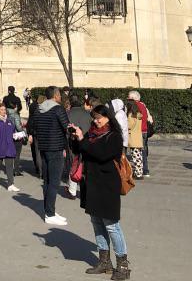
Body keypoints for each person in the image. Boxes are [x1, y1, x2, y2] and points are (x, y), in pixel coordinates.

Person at [70, 103, 131, 280]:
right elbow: (80, 151)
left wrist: (83, 141)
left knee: (112, 225)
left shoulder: (114, 136)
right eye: (94, 119)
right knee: (96, 222)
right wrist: (75, 138)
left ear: (108, 117)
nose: (96, 122)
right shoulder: (91, 133)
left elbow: (101, 154)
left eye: (99, 118)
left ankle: (123, 266)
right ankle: (104, 262)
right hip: (91, 184)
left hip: (107, 185)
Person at [27, 85, 71, 225]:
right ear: (56, 95)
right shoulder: (58, 109)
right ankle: (50, 214)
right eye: (59, 94)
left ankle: (49, 210)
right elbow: (67, 127)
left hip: (43, 148)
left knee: (47, 181)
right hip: (56, 148)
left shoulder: (39, 109)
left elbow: (31, 126)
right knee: (54, 182)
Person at [67, 93, 93, 197]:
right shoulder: (87, 114)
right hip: (86, 141)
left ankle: (72, 190)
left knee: (73, 164)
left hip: (72, 142)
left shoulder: (67, 113)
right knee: (85, 166)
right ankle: (85, 190)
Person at [127, 90, 152, 177]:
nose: (127, 99)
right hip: (144, 130)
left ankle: (141, 171)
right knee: (143, 151)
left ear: (133, 99)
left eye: (129, 98)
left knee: (138, 152)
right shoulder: (143, 105)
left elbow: (132, 121)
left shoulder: (135, 107)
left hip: (138, 132)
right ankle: (145, 170)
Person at [125, 100, 144, 179]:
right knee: (139, 157)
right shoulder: (138, 114)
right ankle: (139, 173)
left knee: (135, 157)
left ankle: (138, 174)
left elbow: (129, 125)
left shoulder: (131, 115)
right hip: (138, 138)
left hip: (133, 138)